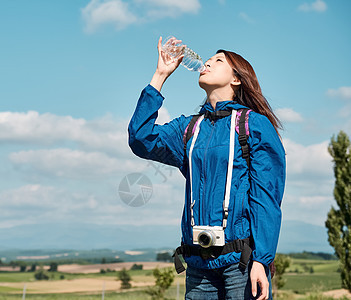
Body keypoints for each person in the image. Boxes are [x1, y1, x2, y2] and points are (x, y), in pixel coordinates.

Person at [128, 36, 286, 300]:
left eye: (218, 60)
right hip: (199, 269)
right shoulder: (189, 128)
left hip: (242, 265)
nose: (208, 63)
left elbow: (266, 197)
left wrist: (262, 259)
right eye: (209, 59)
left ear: (236, 78)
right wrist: (160, 75)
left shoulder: (253, 125)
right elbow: (140, 138)